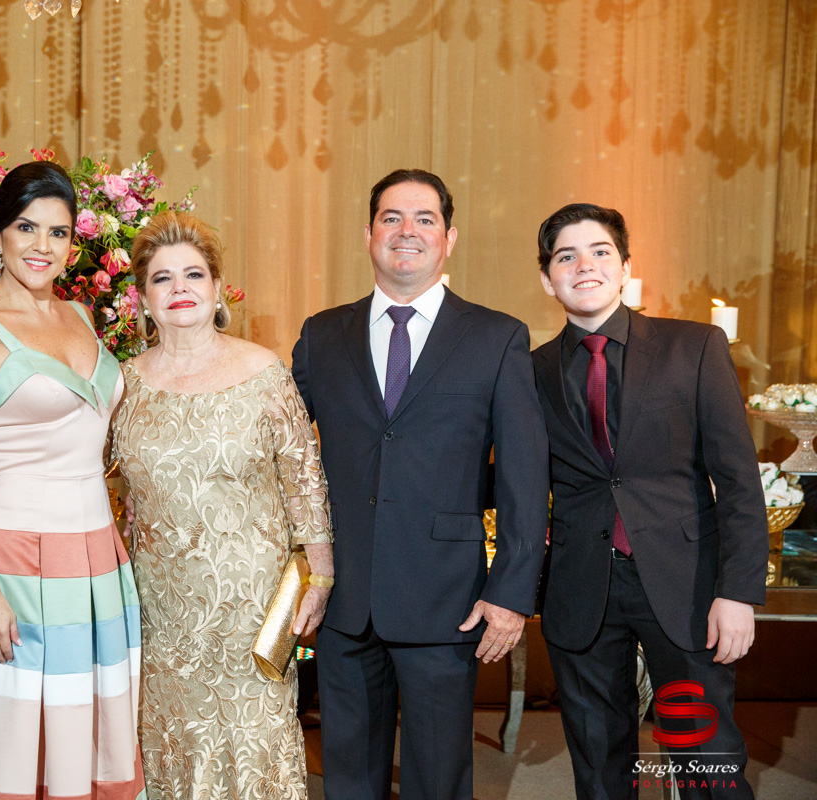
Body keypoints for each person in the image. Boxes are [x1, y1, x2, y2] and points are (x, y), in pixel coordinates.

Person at [291, 169, 549, 800]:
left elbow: (524, 476)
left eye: (424, 219)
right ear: (369, 234)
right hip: (345, 599)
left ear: (449, 238)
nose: (407, 231)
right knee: (349, 778)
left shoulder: (497, 337)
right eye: (391, 218)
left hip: (448, 600)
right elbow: (284, 455)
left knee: (439, 778)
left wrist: (511, 592)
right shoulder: (323, 334)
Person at [0, 161, 145, 799]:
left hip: (95, 557)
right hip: (11, 560)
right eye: (26, 227)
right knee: (5, 741)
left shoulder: (82, 318)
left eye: (58, 232)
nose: (43, 246)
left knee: (82, 735)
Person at [533, 203, 767, 799]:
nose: (584, 266)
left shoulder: (694, 346)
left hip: (686, 587)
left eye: (600, 252)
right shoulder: (529, 371)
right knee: (600, 769)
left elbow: (738, 479)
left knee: (706, 762)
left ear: (626, 266)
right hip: (581, 588)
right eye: (566, 256)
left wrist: (738, 591)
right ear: (547, 279)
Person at [110, 211, 334, 799]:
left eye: (193, 274)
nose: (179, 288)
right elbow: (93, 475)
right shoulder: (123, 384)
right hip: (160, 610)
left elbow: (304, 479)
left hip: (254, 607)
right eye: (162, 278)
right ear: (143, 299)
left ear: (217, 289)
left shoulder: (263, 371)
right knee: (171, 741)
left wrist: (321, 576)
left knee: (253, 742)